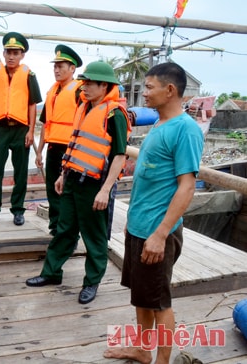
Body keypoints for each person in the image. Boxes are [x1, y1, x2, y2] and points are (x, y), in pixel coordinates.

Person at [104, 62, 204, 364]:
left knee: (159, 301)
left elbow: (186, 187)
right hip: (139, 227)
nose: (144, 93)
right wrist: (133, 222)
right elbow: (149, 180)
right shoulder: (160, 124)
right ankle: (143, 350)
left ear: (169, 90)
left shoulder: (185, 130)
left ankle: (161, 360)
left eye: (149, 87)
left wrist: (160, 234)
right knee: (141, 295)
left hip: (158, 232)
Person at [25, 61, 131, 305]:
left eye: (90, 83)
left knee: (94, 236)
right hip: (73, 179)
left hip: (94, 184)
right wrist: (63, 174)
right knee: (64, 230)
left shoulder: (114, 114)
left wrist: (105, 190)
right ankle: (51, 273)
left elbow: (119, 155)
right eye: (83, 82)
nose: (84, 87)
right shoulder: (83, 107)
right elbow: (75, 146)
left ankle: (91, 282)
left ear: (104, 86)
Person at [0, 32, 43, 226]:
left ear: (22, 55)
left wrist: (31, 131)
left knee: (20, 172)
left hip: (20, 129)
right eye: (8, 52)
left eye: (15, 52)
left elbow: (33, 105)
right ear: (4, 53)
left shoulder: (29, 75)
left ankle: (18, 210)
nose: (11, 56)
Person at [36, 44, 83, 236]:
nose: (56, 69)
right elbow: (46, 124)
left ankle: (69, 229)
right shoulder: (53, 92)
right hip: (53, 148)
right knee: (52, 189)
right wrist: (39, 151)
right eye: (55, 66)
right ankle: (55, 226)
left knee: (68, 190)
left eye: (61, 66)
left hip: (70, 147)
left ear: (72, 69)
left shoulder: (80, 92)